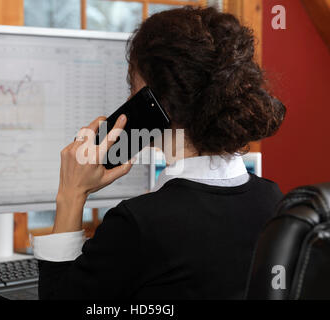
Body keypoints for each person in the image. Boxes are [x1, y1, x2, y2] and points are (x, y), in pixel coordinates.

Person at [32, 6, 286, 299]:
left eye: (133, 89)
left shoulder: (138, 225)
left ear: (158, 100)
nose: (128, 100)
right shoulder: (274, 201)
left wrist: (71, 193)